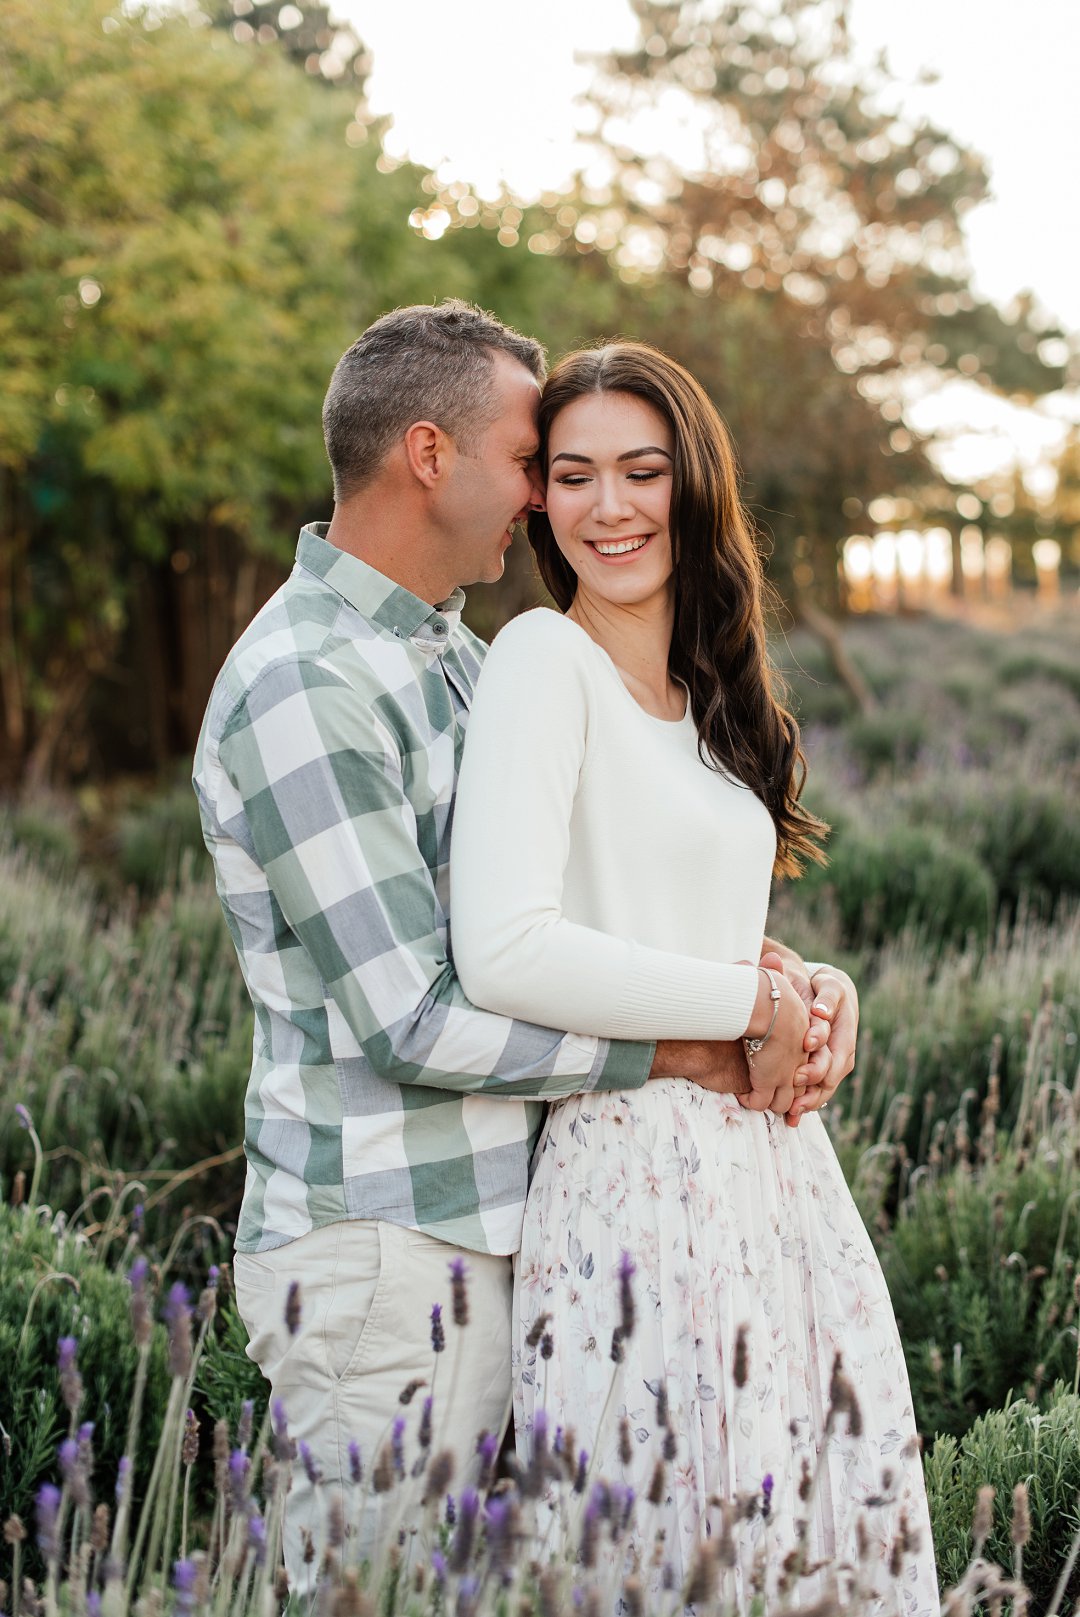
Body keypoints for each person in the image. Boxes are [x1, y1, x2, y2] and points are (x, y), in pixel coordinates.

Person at [193, 301, 858, 1592]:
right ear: (431, 456)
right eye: (529, 462)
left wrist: (790, 984)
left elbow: (582, 903)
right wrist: (688, 1045)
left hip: (513, 1231)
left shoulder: (447, 657)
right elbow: (412, 1016)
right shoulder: (307, 685)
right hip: (384, 1251)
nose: (545, 504)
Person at [450, 341, 937, 1611]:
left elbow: (693, 927)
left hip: (771, 1192)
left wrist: (813, 989)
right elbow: (504, 946)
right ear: (540, 501)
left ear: (696, 485)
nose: (609, 508)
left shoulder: (707, 689)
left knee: (807, 1553)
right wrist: (752, 1004)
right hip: (629, 1186)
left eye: (642, 470)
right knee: (670, 1559)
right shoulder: (542, 663)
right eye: (572, 476)